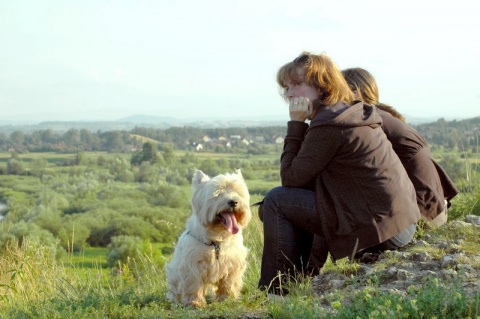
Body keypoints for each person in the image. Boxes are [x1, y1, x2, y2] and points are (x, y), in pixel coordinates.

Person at [258, 52, 421, 296]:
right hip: (399, 226)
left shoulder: (329, 123)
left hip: (383, 234)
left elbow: (290, 179)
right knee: (288, 200)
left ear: (323, 84)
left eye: (298, 84)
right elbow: (304, 180)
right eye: (287, 87)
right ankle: (299, 281)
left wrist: (295, 124)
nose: (290, 93)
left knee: (276, 201)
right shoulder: (347, 112)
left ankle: (276, 293)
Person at [342, 67, 459, 227]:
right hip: (433, 210)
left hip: (421, 216)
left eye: (334, 91)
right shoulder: (382, 117)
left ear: (355, 93)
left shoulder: (370, 123)